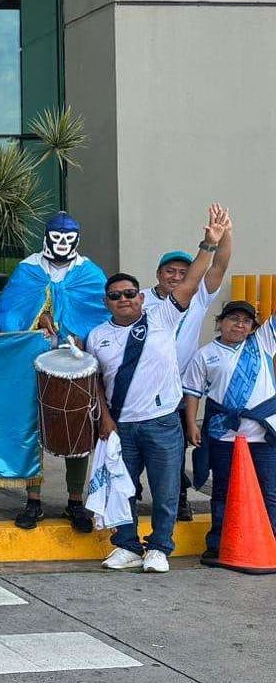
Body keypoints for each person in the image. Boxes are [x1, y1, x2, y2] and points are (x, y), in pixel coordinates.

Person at [91, 205, 225, 573]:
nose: (124, 299)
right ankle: (127, 545)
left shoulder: (163, 316)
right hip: (121, 427)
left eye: (130, 293)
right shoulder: (97, 336)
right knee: (123, 489)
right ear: (107, 302)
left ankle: (159, 548)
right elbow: (96, 385)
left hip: (162, 422)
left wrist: (208, 244)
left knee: (166, 493)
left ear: (140, 296)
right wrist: (105, 420)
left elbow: (192, 280)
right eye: (116, 295)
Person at [0, 212, 108, 532]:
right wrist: (39, 316)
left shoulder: (89, 272)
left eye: (67, 238)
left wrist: (77, 333)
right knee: (33, 429)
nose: (61, 243)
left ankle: (75, 501)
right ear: (45, 237)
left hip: (75, 363)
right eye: (55, 236)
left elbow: (99, 313)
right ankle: (33, 500)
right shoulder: (27, 269)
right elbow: (10, 311)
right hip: (33, 362)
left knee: (77, 426)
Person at [142, 212, 233, 521]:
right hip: (143, 389)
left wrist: (225, 235)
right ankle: (130, 492)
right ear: (158, 273)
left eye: (183, 271)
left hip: (181, 389)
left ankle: (178, 498)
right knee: (138, 445)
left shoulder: (198, 298)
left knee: (175, 449)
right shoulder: (139, 300)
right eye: (170, 271)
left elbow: (219, 265)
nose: (177, 276)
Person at [182, 300, 276, 567]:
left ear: (253, 327)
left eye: (246, 321)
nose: (239, 324)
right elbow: (192, 392)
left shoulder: (262, 344)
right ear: (220, 322)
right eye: (233, 318)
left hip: (263, 435)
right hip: (224, 435)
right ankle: (218, 543)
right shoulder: (205, 354)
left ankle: (270, 540)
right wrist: (191, 424)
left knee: (270, 491)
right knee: (223, 492)